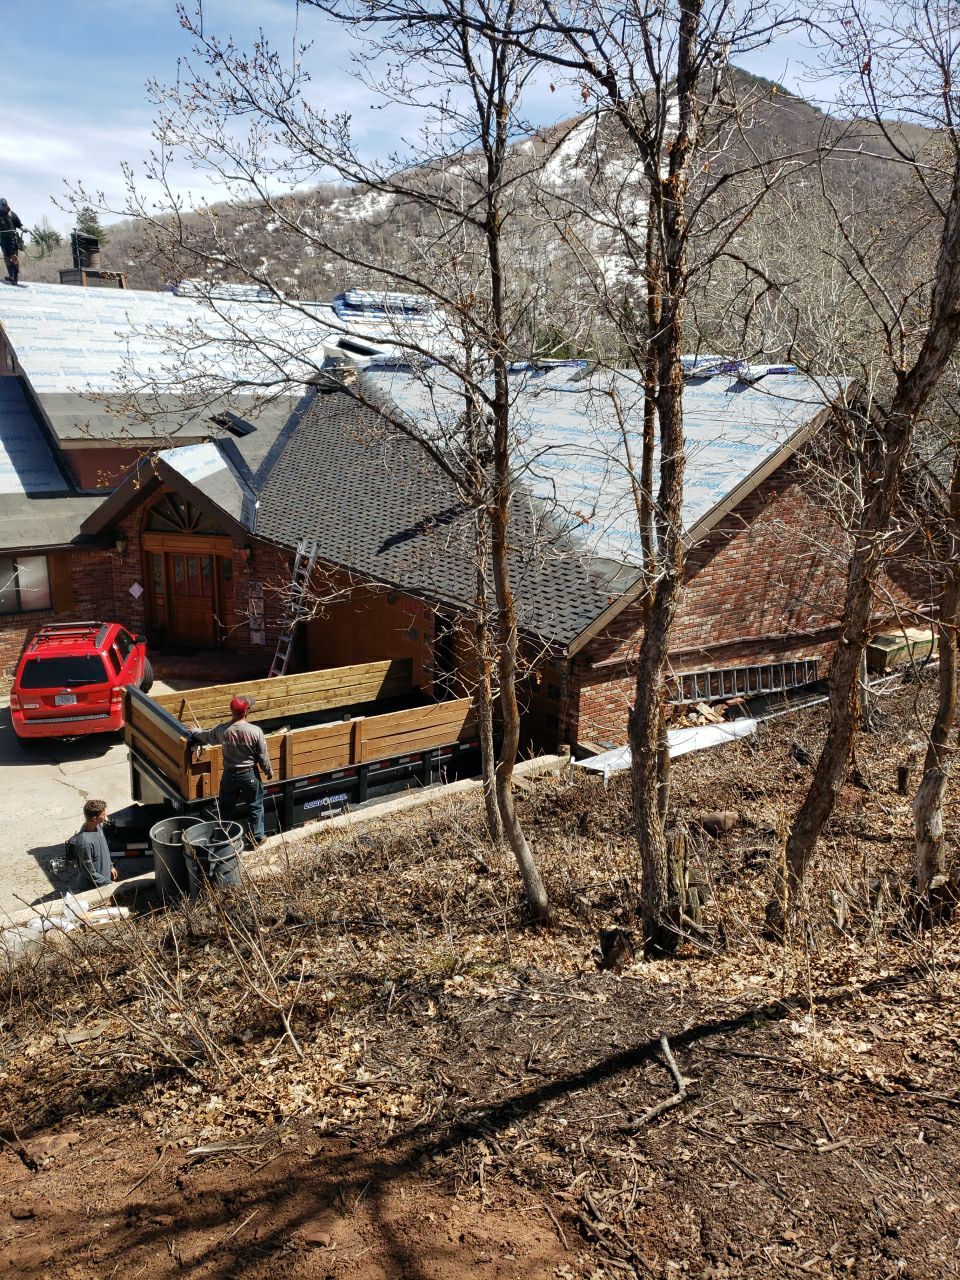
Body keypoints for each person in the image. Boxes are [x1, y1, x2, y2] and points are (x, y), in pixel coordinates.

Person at [191, 696, 274, 845]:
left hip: (229, 776)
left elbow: (207, 736)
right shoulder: (255, 731)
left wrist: (195, 732)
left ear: (231, 711)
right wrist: (268, 771)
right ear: (246, 712)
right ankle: (257, 837)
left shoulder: (223, 730)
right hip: (249, 774)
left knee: (225, 808)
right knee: (255, 805)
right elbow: (263, 756)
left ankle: (224, 839)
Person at [71, 798, 118, 890]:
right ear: (94, 818)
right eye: (103, 815)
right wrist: (108, 882)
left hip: (105, 881)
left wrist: (110, 866)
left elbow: (104, 849)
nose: (106, 816)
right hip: (94, 888)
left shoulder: (98, 827)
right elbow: (89, 873)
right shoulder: (85, 843)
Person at [0, 199, 24, 286]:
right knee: (7, 259)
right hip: (3, 241)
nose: (4, 207)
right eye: (2, 206)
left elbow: (19, 224)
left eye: (5, 205)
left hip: (12, 240)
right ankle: (11, 276)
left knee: (14, 258)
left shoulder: (12, 215)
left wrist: (23, 229)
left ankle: (15, 278)